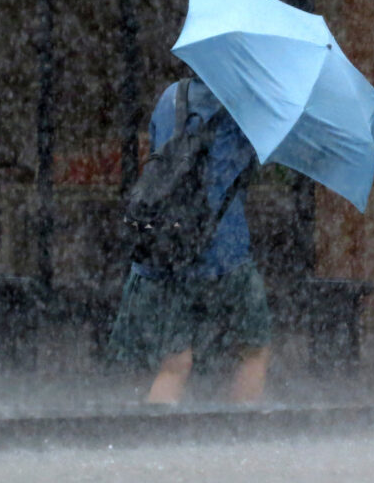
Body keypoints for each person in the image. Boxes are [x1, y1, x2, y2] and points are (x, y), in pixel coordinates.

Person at [109, 76, 272, 405]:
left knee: (174, 365)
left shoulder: (171, 96)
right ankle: (244, 435)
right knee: (254, 349)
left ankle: (157, 443)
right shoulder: (248, 106)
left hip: (166, 247)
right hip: (223, 252)